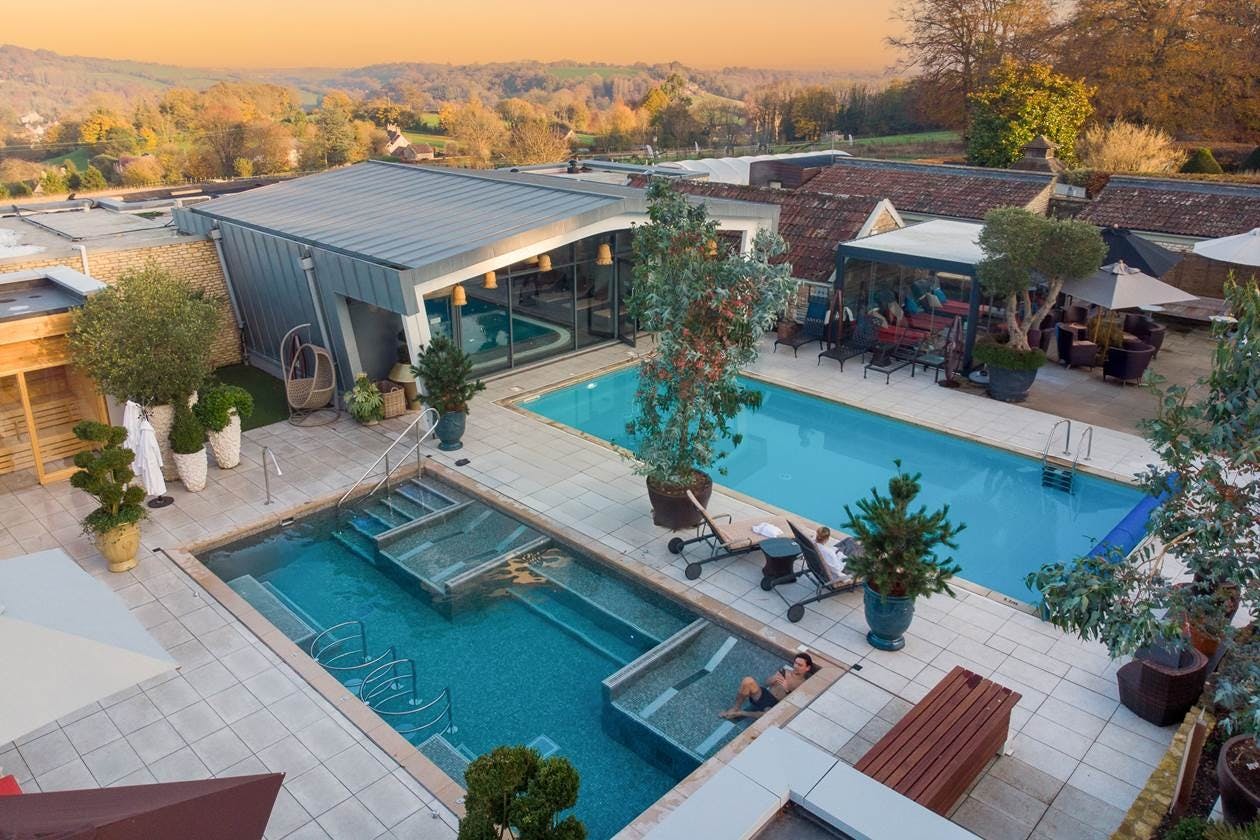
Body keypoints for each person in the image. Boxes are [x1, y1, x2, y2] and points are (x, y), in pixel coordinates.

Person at [719, 652, 817, 720]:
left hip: (775, 704)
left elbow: (793, 705)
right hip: (765, 695)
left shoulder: (803, 684)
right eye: (795, 663)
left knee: (769, 715)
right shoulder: (785, 671)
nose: (795, 666)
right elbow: (766, 683)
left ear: (807, 668)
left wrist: (787, 690)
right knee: (747, 680)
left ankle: (741, 713)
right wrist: (773, 679)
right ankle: (735, 708)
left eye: (800, 665)